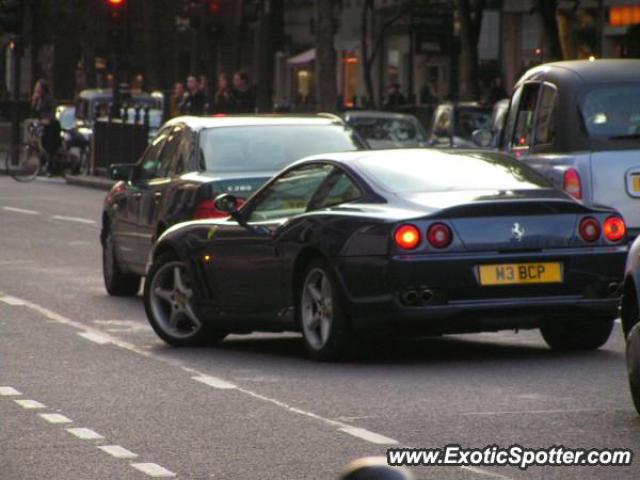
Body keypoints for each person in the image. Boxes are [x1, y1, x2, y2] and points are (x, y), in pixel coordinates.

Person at [30, 79, 61, 173]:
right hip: (42, 125)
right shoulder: (39, 100)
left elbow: (52, 113)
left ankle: (51, 165)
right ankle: (42, 162)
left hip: (51, 126)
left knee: (48, 144)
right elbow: (34, 113)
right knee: (36, 141)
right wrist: (34, 102)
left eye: (38, 88)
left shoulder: (50, 99)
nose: (36, 90)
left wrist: (47, 120)